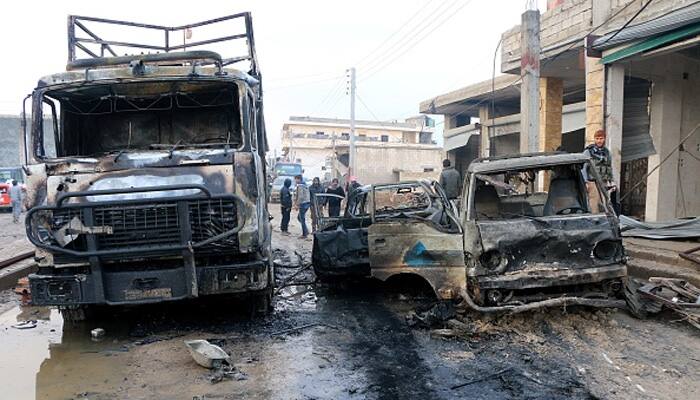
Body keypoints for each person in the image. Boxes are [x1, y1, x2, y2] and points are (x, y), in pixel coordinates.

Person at [582, 129, 617, 214]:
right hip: (592, 181)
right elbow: (583, 168)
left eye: (601, 138)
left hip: (603, 181)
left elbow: (609, 167)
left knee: (605, 202)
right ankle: (595, 219)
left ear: (604, 139)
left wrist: (612, 182)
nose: (599, 141)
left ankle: (604, 219)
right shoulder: (588, 151)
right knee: (594, 201)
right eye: (597, 138)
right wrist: (585, 182)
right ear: (594, 139)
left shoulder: (607, 152)